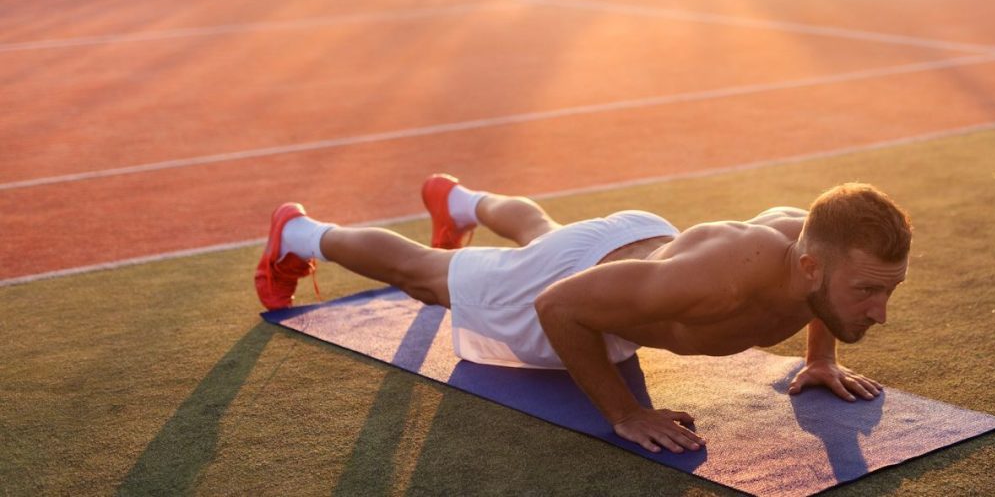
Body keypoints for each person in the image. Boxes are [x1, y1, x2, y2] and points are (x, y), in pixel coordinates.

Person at [255, 175, 912, 454]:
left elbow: (828, 281)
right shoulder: (719, 278)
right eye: (868, 293)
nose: (880, 312)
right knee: (426, 278)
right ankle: (301, 234)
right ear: (810, 269)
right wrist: (624, 414)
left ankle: (457, 199)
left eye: (884, 291)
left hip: (637, 244)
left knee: (545, 232)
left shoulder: (815, 251)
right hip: (580, 278)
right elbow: (559, 305)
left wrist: (821, 355)